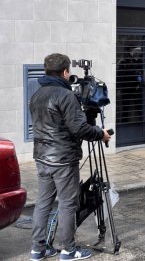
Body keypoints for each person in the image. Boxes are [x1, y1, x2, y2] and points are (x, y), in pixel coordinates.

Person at [29, 53, 111, 261]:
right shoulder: (66, 96)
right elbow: (80, 128)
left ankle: (38, 250)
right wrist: (100, 134)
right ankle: (68, 250)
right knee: (67, 204)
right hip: (63, 159)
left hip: (42, 157)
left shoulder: (37, 94)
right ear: (65, 72)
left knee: (43, 203)